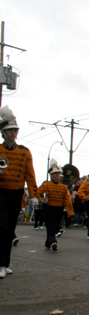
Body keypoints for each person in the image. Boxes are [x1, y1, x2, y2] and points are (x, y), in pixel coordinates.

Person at [0, 105, 39, 278]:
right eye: (9, 130)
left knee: (10, 230)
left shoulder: (24, 152)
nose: (13, 133)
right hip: (0, 193)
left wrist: (34, 196)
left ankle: (5, 264)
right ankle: (0, 263)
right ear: (3, 132)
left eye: (15, 130)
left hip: (16, 194)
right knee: (2, 227)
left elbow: (30, 175)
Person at [37, 159, 74, 251]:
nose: (57, 175)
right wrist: (42, 200)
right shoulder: (45, 185)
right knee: (50, 225)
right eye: (54, 174)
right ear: (51, 175)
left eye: (58, 173)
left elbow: (67, 199)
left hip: (59, 209)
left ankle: (48, 242)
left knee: (56, 226)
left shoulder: (64, 187)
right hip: (48, 208)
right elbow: (37, 193)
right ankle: (53, 242)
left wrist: (70, 212)